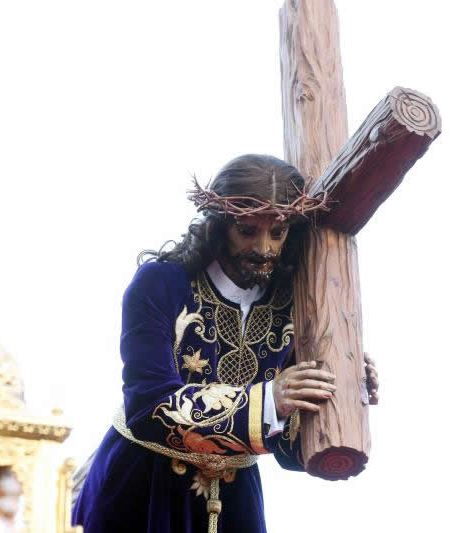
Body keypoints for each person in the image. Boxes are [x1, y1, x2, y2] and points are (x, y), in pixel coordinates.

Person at [72, 154, 378, 533]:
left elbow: (287, 448)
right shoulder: (160, 283)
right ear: (218, 224)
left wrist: (340, 389)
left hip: (236, 497)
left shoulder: (293, 302)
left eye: (278, 233)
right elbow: (148, 407)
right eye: (247, 230)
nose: (264, 248)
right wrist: (269, 400)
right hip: (144, 486)